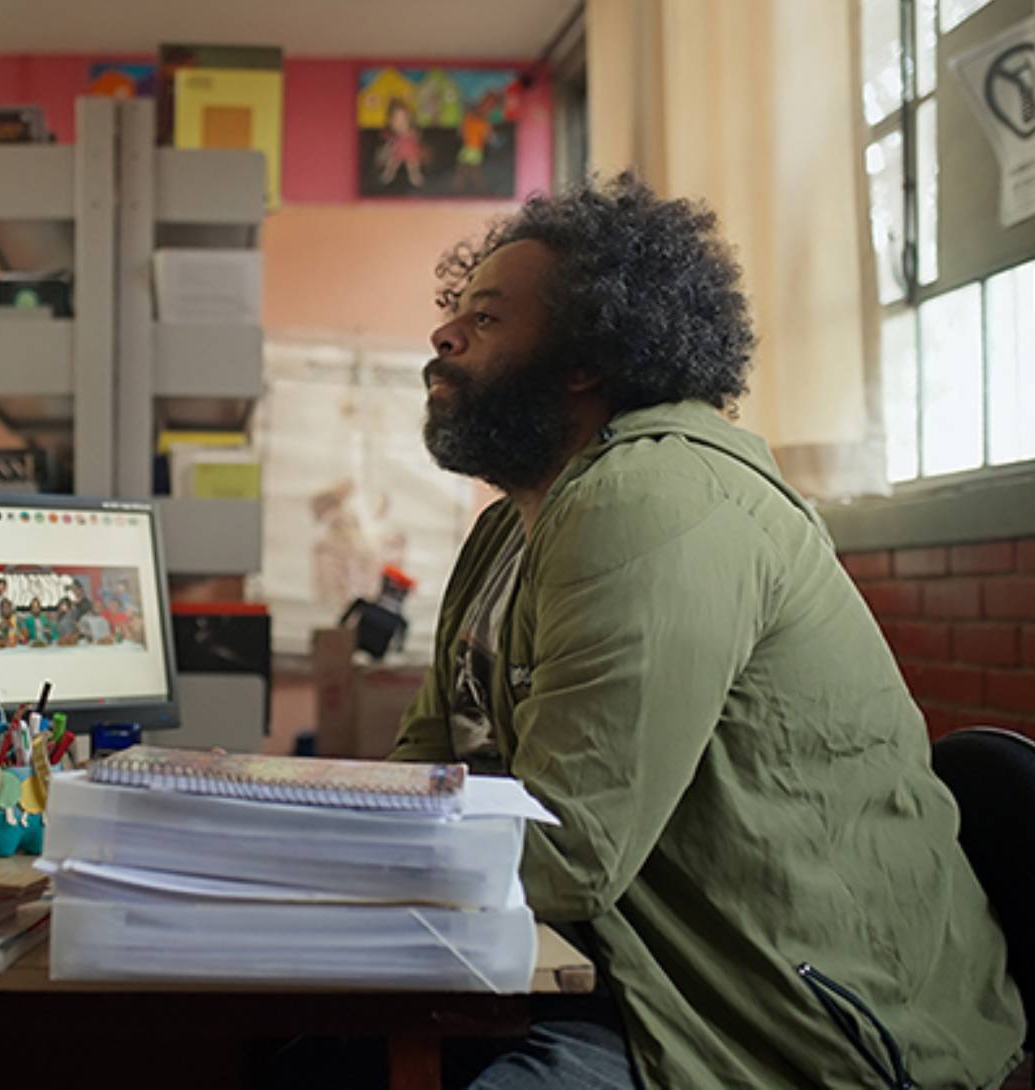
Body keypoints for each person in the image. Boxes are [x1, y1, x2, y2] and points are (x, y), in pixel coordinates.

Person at [385, 174, 1025, 1089]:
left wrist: (295, 860)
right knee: (294, 1050)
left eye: (486, 321)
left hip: (775, 1020)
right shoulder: (506, 530)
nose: (444, 338)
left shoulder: (651, 500)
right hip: (629, 966)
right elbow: (427, 765)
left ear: (585, 358)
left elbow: (567, 855)